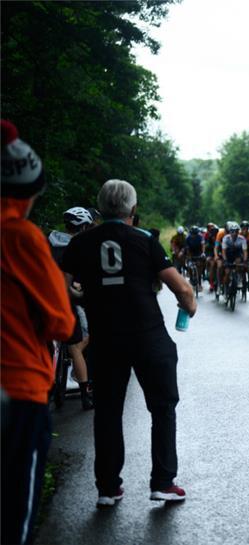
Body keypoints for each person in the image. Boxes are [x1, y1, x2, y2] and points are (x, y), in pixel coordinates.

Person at [60, 179, 196, 507]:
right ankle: (163, 482)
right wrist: (189, 306)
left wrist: (83, 296)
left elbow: (61, 288)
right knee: (162, 408)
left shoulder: (80, 244)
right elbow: (180, 287)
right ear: (132, 209)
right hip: (148, 335)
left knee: (107, 412)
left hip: (106, 337)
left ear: (99, 209)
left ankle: (108, 488)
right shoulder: (145, 240)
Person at [1, 120, 76, 544]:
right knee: (15, 517)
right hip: (16, 388)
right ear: (26, 193)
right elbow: (61, 323)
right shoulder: (22, 237)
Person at [48, 206, 96, 410]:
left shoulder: (51, 240)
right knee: (77, 345)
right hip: (68, 299)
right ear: (83, 226)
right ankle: (85, 394)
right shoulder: (80, 246)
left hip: (46, 299)